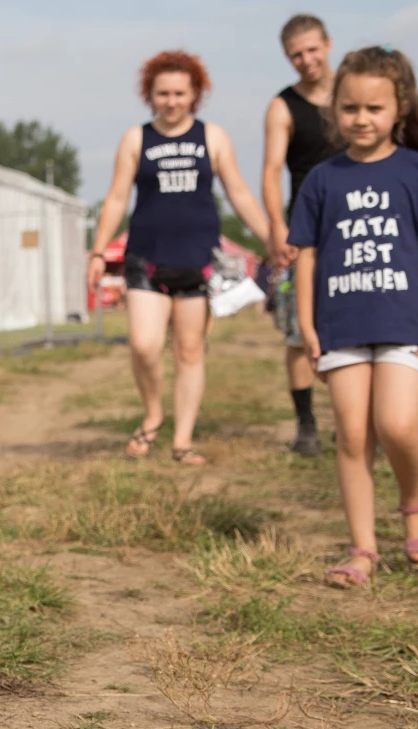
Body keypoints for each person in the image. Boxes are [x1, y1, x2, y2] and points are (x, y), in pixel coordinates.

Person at [290, 46, 418, 587]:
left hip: (405, 323)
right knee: (353, 433)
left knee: (398, 424)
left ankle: (414, 504)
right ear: (334, 109)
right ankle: (362, 548)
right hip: (341, 326)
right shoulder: (321, 180)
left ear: (400, 108)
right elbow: (307, 257)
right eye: (350, 108)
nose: (361, 119)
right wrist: (307, 325)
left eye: (374, 109)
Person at [87, 50, 270, 466]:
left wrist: (271, 237)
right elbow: (117, 198)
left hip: (198, 262)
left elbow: (239, 193)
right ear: (150, 94)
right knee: (144, 345)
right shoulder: (137, 139)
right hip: (146, 259)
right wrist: (98, 250)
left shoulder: (213, 137)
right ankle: (153, 412)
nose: (171, 101)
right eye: (163, 93)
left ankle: (182, 440)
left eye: (179, 93)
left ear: (195, 95)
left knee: (190, 351)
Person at [263, 14, 340, 456]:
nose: (306, 60)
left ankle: (364, 422)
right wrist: (278, 226)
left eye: (312, 49)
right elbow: (272, 171)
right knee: (297, 331)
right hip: (305, 231)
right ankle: (306, 425)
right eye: (296, 54)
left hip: (357, 224)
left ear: (328, 44)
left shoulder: (354, 94)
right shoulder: (282, 106)